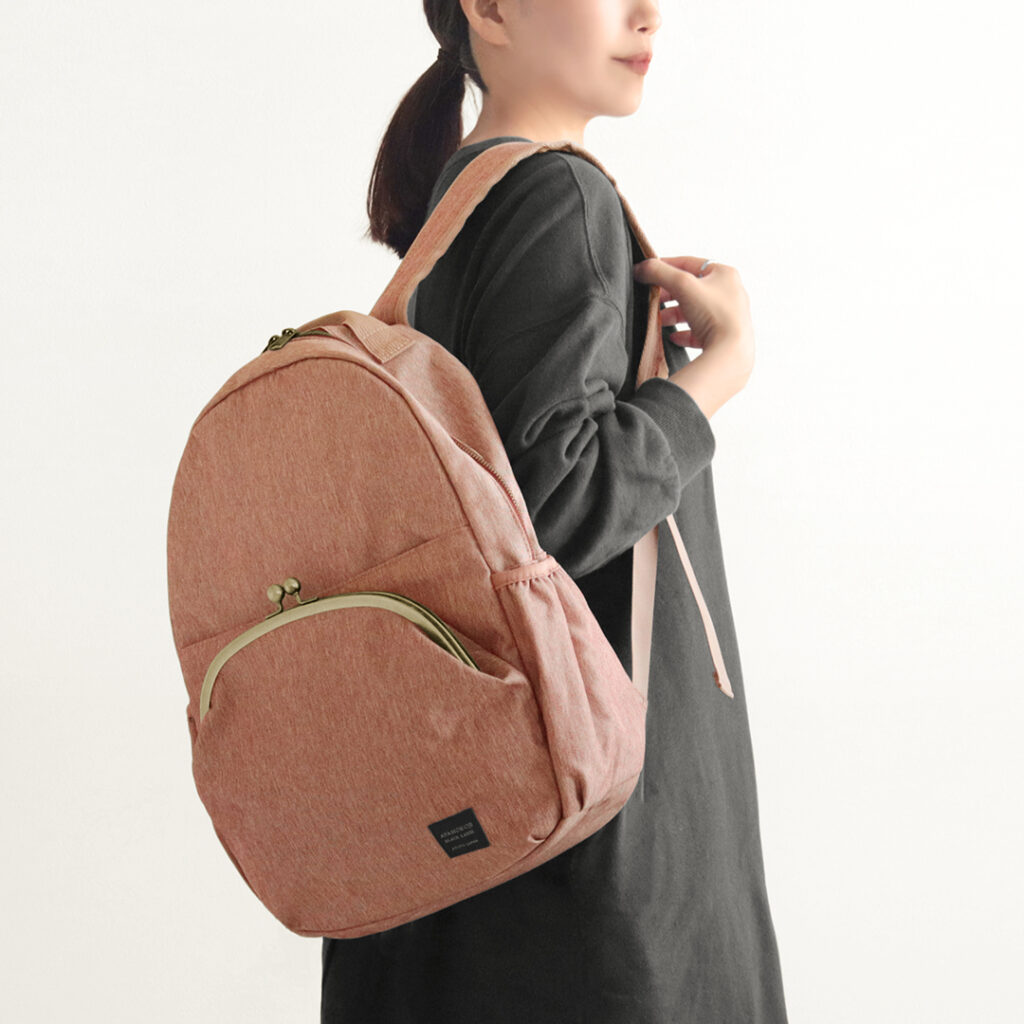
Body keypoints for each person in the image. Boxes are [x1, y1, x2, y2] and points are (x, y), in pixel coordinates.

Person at [321, 1, 789, 1021]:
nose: (648, 13)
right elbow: (557, 505)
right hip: (586, 858)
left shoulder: (466, 203)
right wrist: (718, 375)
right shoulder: (554, 194)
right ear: (491, 9)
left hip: (484, 841)